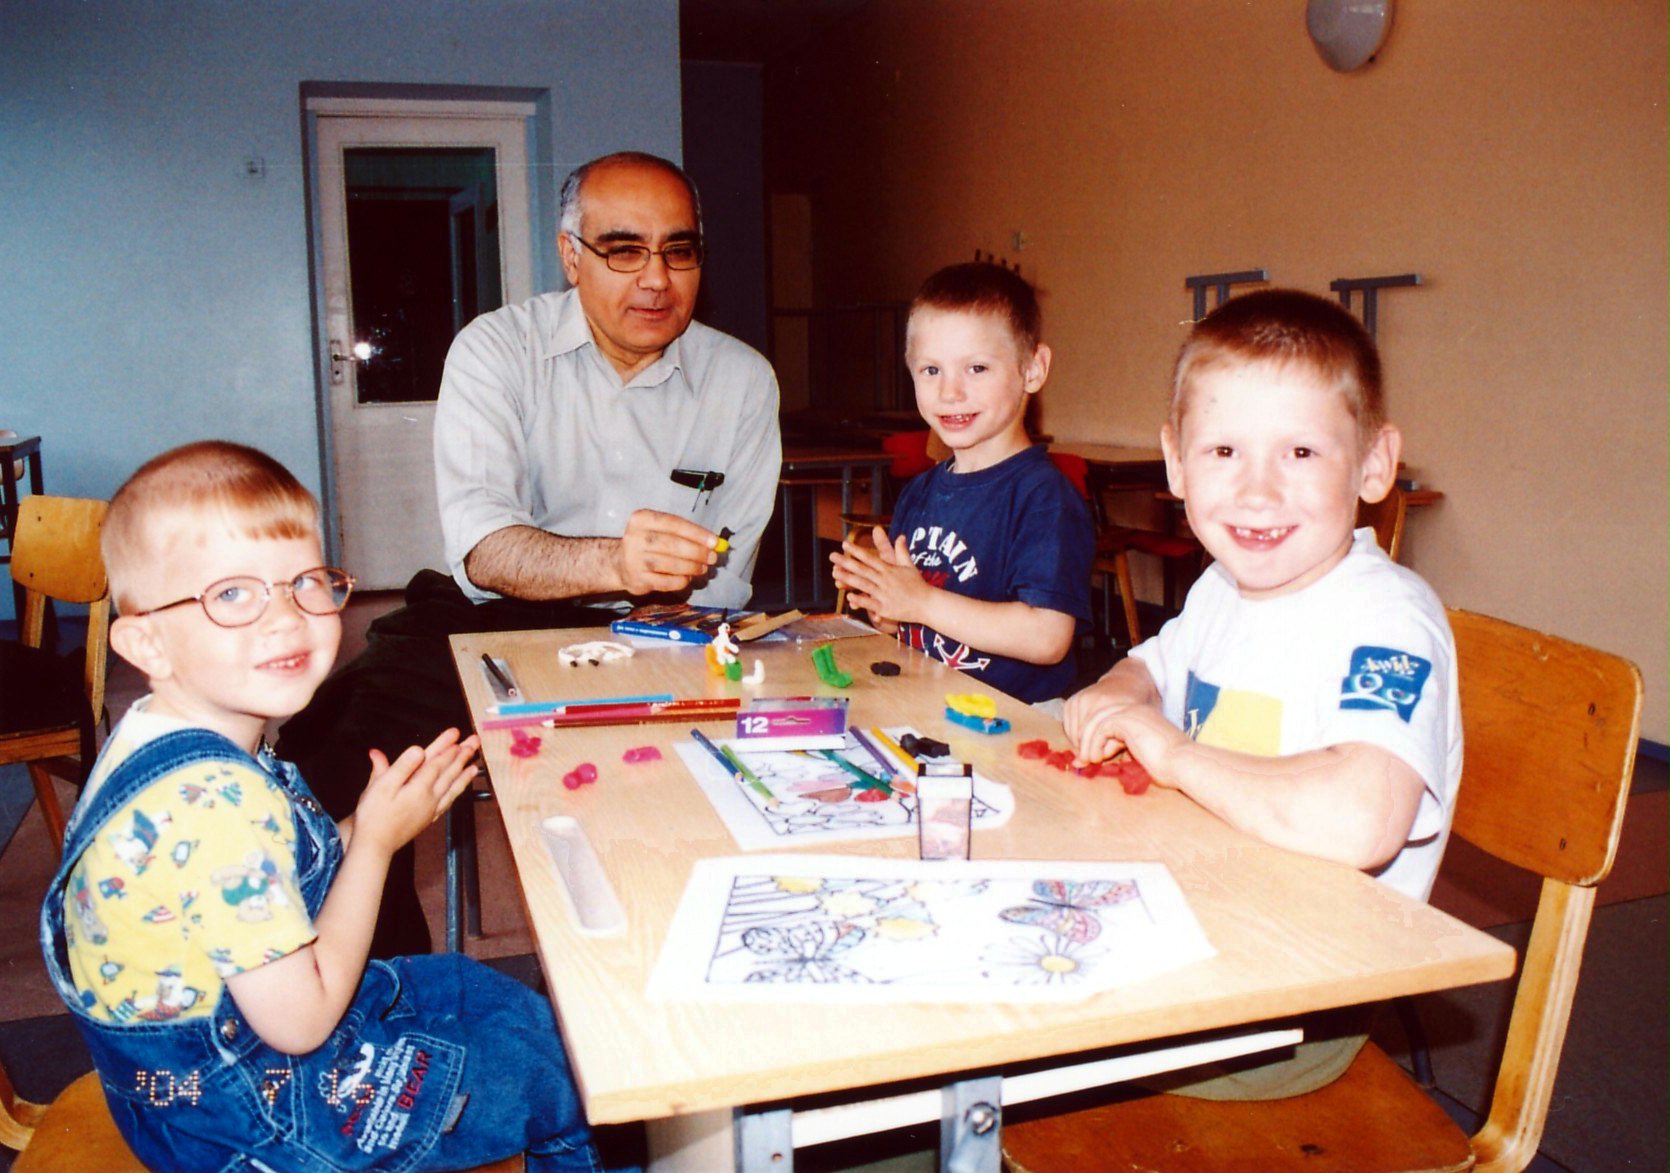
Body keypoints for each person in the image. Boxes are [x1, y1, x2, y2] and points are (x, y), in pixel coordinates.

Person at [40, 441, 602, 1170]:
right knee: (571, 1075)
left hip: (176, 1089)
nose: (287, 618)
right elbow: (301, 1022)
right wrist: (374, 844)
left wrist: (368, 820)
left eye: (305, 581)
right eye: (233, 594)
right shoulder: (215, 802)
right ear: (147, 640)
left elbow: (260, 883)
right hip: (257, 1116)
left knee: (474, 989)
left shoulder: (159, 734)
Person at [277, 151, 780, 955]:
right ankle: (386, 992)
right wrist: (613, 562)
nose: (655, 278)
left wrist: (649, 613)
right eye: (624, 249)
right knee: (334, 759)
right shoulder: (495, 351)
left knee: (760, 768)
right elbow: (484, 548)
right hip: (492, 613)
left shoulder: (743, 382)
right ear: (571, 255)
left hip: (666, 627)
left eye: (678, 250)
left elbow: (725, 578)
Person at [1064, 287, 1460, 1098]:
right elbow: (1154, 663)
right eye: (1224, 452)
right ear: (1176, 461)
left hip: (1290, 1012)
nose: (1257, 491)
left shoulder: (1385, 619)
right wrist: (1116, 689)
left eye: (1302, 454)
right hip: (1199, 933)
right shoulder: (1223, 587)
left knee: (952, 1060)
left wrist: (1171, 752)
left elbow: (1361, 815)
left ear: (1376, 464)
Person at [829, 261, 1094, 706]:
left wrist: (920, 603)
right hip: (935, 706)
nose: (950, 392)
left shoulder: (1044, 498)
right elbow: (916, 622)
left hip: (1019, 720)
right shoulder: (920, 492)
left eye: (976, 368)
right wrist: (887, 606)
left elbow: (1048, 637)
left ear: (1032, 369)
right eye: (931, 371)